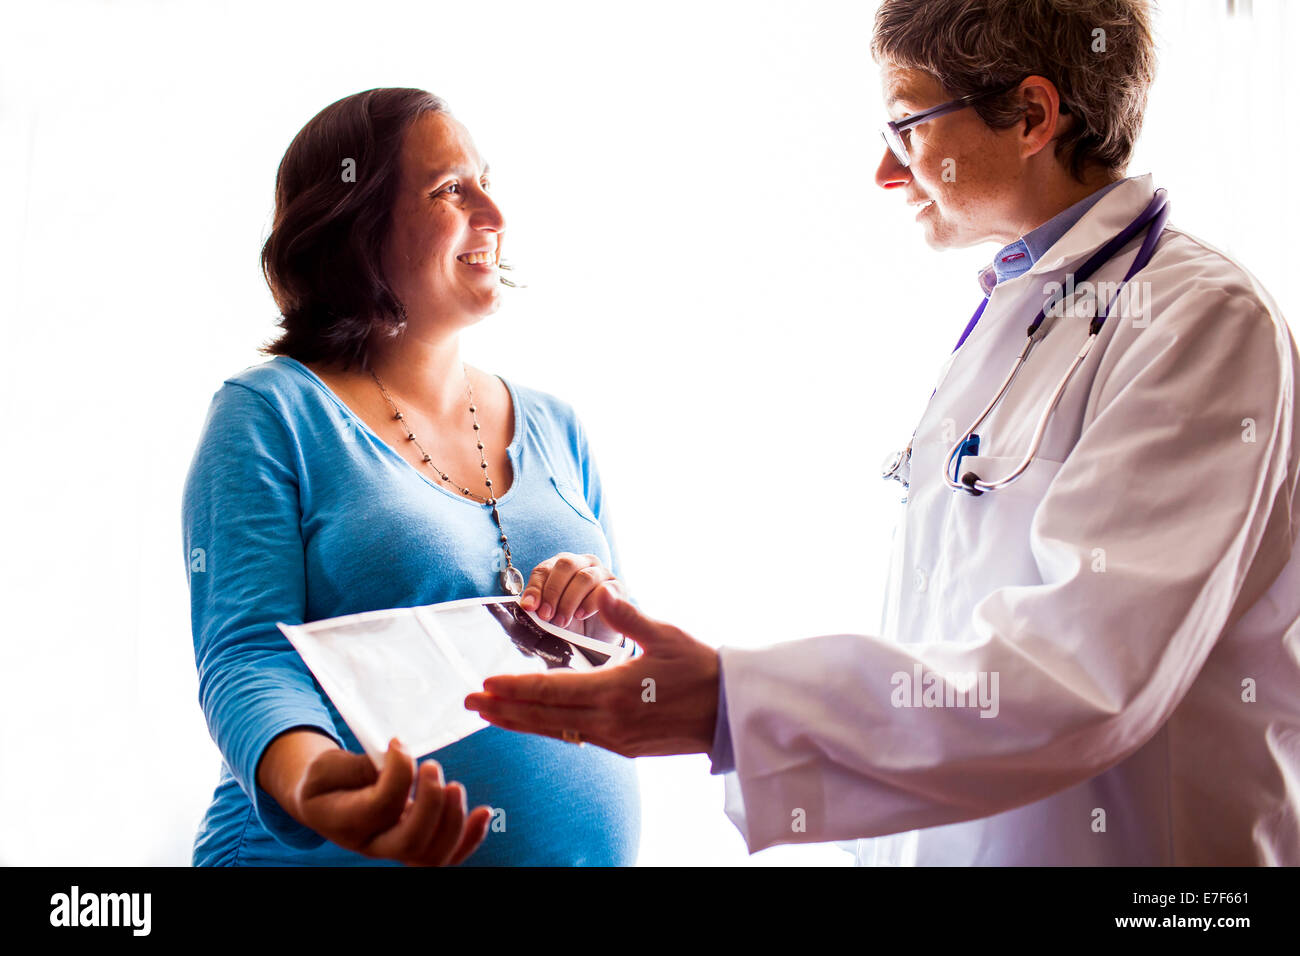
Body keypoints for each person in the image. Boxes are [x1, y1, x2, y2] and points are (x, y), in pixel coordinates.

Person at [466, 0, 1300, 865]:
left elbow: (1086, 677)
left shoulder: (1198, 321)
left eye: (906, 126)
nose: (884, 171)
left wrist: (732, 702)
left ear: (1032, 116)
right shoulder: (1021, 313)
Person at [182, 88, 638, 866]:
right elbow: (247, 654)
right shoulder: (270, 414)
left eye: (487, 181)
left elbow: (625, 661)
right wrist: (323, 783)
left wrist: (601, 616)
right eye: (451, 189)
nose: (492, 213)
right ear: (356, 227)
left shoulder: (558, 427)